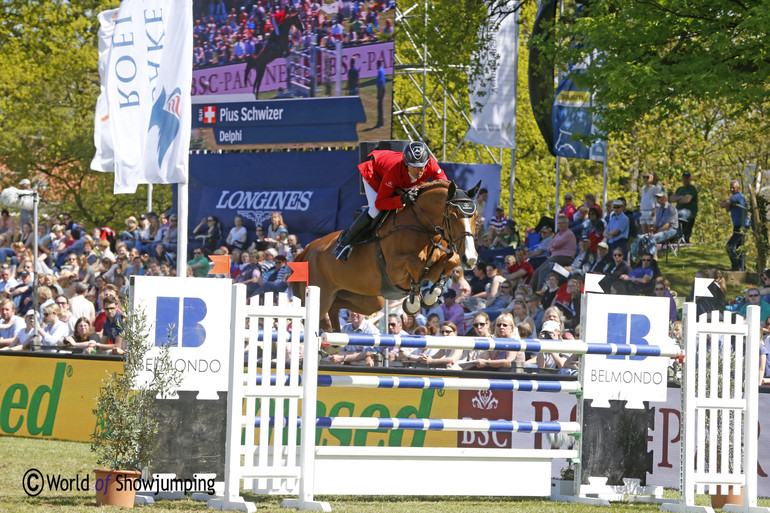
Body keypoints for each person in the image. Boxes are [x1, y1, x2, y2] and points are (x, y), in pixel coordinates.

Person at [333, 141, 448, 262]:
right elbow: (380, 203)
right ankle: (345, 241)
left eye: (422, 167)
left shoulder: (430, 164)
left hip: (402, 181)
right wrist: (401, 199)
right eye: (414, 167)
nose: (419, 171)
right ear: (406, 164)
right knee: (375, 210)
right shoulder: (393, 172)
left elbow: (445, 186)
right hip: (375, 174)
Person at [637, 190, 678, 259]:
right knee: (641, 238)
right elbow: (656, 223)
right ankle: (639, 259)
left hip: (671, 230)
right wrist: (652, 230)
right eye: (657, 197)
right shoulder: (659, 209)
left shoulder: (671, 209)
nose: (658, 199)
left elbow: (667, 225)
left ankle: (652, 259)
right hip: (660, 230)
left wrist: (656, 233)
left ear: (665, 198)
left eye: (660, 197)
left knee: (653, 238)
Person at [720, 179, 750, 271]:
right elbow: (727, 208)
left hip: (742, 225)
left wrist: (727, 203)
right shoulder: (735, 198)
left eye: (734, 187)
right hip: (739, 225)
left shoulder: (737, 197)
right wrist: (728, 204)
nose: (732, 189)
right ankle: (742, 267)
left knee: (730, 246)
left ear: (738, 188)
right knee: (739, 247)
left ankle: (736, 266)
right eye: (731, 187)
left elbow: (723, 205)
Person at [669, 171, 698, 243]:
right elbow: (671, 199)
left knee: (680, 213)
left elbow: (686, 200)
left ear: (690, 178)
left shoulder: (692, 188)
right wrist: (680, 197)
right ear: (682, 178)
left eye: (687, 178)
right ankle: (669, 237)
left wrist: (678, 198)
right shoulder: (679, 189)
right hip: (678, 210)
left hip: (689, 211)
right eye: (684, 177)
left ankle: (678, 235)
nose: (685, 179)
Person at [375, 58, 385, 127]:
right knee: (379, 106)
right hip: (381, 88)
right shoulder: (381, 70)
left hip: (381, 89)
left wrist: (380, 93)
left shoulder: (379, 71)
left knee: (379, 106)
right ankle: (380, 121)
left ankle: (380, 122)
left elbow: (381, 82)